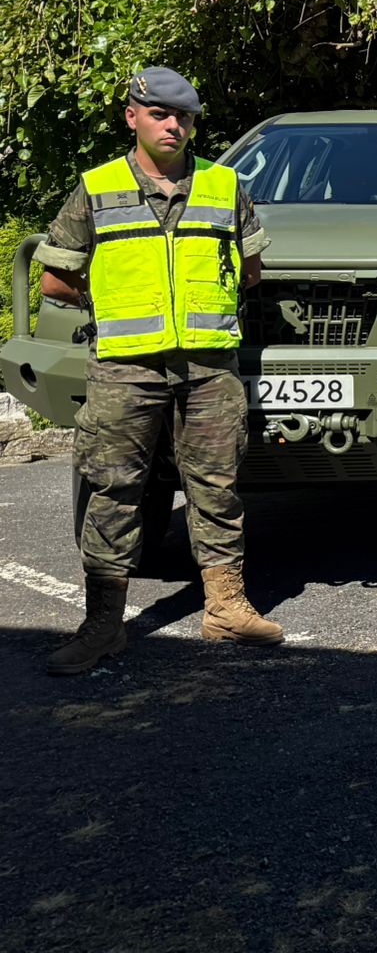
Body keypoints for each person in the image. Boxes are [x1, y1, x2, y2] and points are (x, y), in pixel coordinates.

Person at [38, 67, 283, 676]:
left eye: (186, 117)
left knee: (216, 486)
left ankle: (225, 608)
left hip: (208, 366)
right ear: (133, 117)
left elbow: (250, 270)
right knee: (114, 489)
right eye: (161, 115)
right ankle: (102, 626)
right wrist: (119, 303)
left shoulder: (224, 186)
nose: (175, 125)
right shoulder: (96, 188)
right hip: (126, 368)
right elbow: (54, 279)